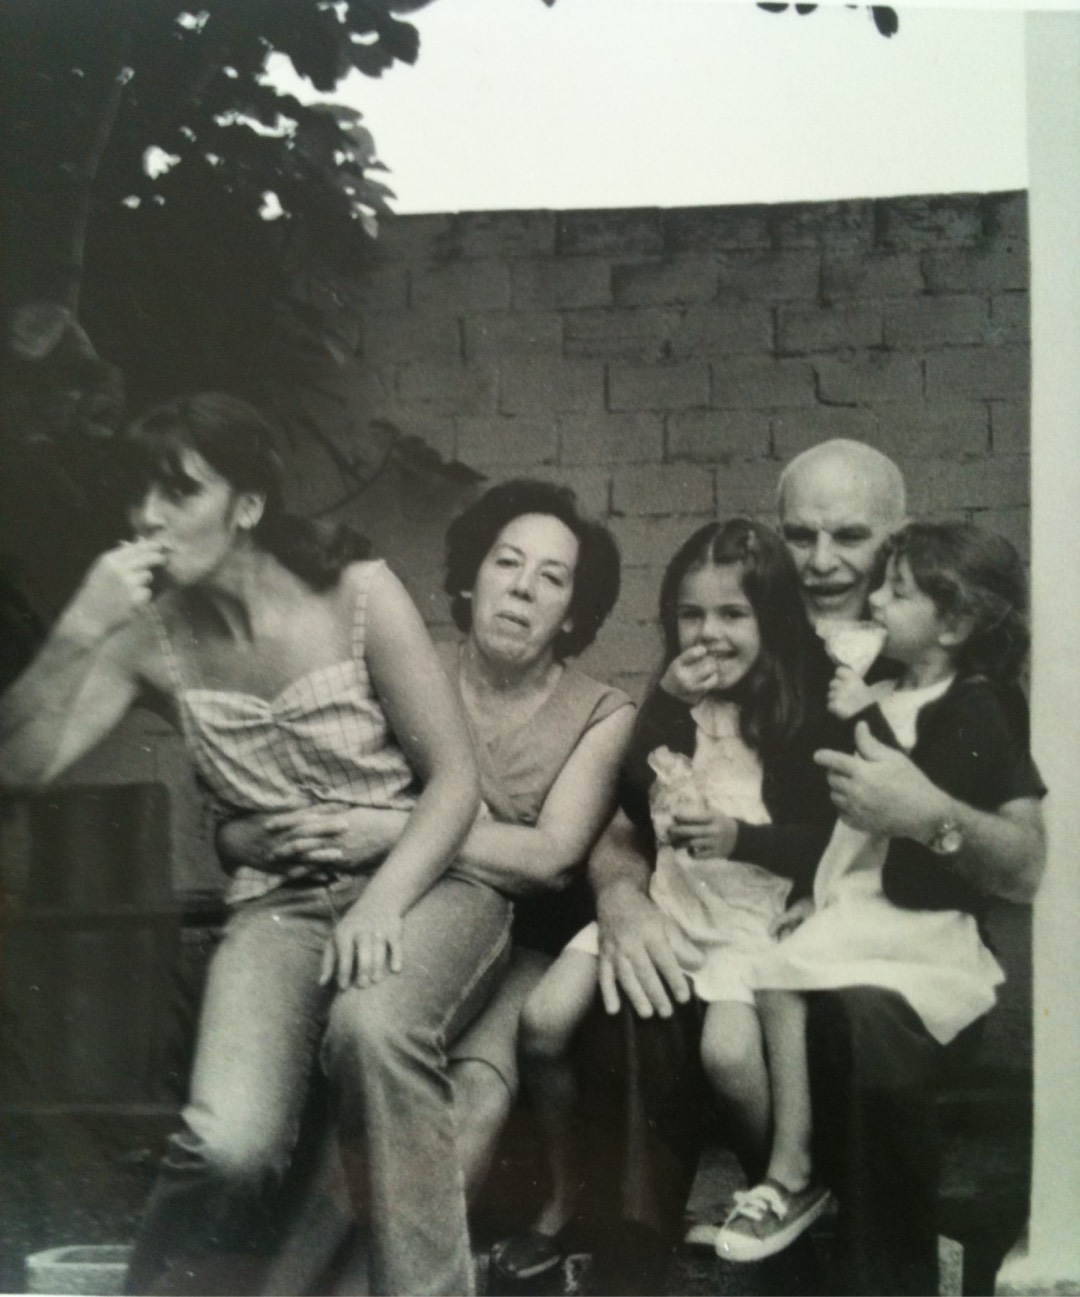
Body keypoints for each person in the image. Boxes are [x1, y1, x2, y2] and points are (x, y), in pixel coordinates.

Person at [0, 392, 509, 1296]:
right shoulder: (146, 641)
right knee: (228, 1142)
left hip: (426, 879)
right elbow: (17, 766)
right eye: (139, 493)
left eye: (178, 490)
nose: (147, 516)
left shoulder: (358, 592)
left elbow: (456, 783)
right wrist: (78, 625)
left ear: (247, 505)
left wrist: (383, 901)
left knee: (372, 1028)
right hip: (281, 907)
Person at [586, 440, 1045, 1294]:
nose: (822, 561)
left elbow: (1025, 863)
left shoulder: (934, 664)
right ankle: (643, 1270)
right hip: (735, 934)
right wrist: (621, 897)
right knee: (635, 1001)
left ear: (899, 539)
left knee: (857, 1021)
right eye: (800, 534)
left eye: (851, 536)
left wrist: (929, 813)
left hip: (886, 953)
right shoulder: (741, 631)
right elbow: (631, 813)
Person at [216, 478, 635, 1293]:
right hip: (415, 917)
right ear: (470, 578)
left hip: (528, 946)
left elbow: (550, 859)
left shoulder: (601, 711)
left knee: (469, 1098)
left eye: (552, 577)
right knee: (373, 1077)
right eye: (506, 561)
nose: (523, 587)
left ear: (573, 614)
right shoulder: (408, 667)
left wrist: (396, 830)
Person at [488, 518, 843, 1285]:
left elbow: (823, 841)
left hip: (747, 921)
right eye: (691, 613)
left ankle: (780, 1195)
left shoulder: (793, 718)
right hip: (671, 905)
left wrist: (741, 838)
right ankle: (561, 1190)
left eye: (732, 613)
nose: (708, 633)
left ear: (774, 619)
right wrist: (666, 702)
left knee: (730, 1056)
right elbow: (631, 795)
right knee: (543, 1019)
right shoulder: (681, 703)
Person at [715, 521, 1046, 1264]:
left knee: (792, 985)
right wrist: (819, 896)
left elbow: (913, 795)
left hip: (918, 926)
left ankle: (795, 1171)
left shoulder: (976, 703)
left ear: (954, 624)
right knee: (777, 975)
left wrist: (861, 711)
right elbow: (853, 836)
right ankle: (794, 1169)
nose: (876, 604)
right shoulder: (893, 690)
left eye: (897, 594)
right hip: (864, 912)